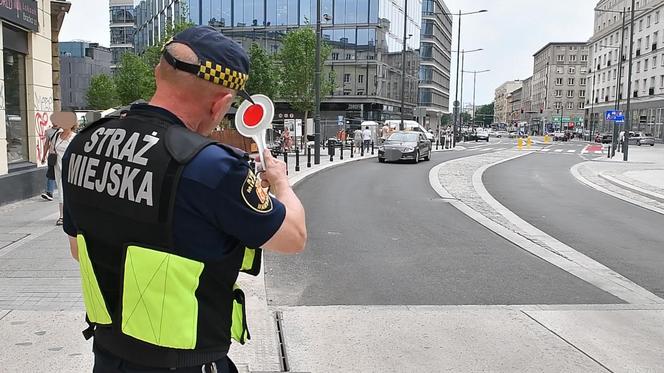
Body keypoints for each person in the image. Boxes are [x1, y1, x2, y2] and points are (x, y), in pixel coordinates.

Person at [61, 26, 307, 373]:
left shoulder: (83, 143)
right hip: (186, 363)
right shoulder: (212, 166)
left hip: (108, 357)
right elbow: (293, 237)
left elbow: (77, 248)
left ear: (158, 72)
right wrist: (281, 183)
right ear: (221, 102)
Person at [50, 112, 77, 226]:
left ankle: (64, 216)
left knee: (66, 191)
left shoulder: (75, 137)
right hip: (57, 167)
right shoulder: (57, 135)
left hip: (70, 169)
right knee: (61, 190)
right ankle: (63, 215)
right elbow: (52, 147)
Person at [41, 123, 59, 201]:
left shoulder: (64, 130)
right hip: (52, 156)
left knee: (63, 174)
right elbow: (46, 144)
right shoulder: (48, 131)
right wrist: (44, 156)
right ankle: (49, 193)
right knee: (51, 174)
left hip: (62, 156)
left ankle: (66, 192)